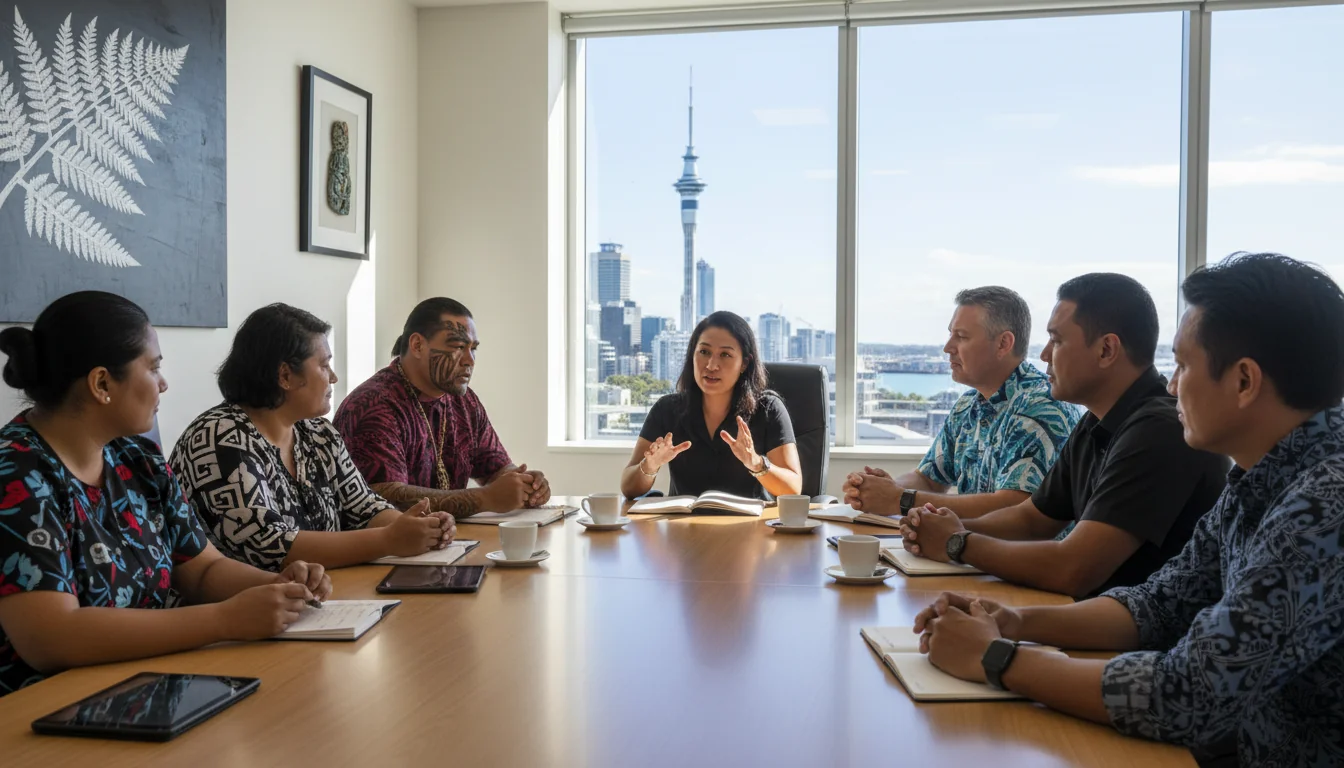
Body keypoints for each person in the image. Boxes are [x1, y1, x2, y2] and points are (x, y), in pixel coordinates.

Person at [911, 253, 1344, 766]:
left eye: (1183, 365)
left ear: (1244, 381)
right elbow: (1158, 605)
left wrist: (995, 657)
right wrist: (1010, 621)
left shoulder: (1325, 503)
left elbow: (1188, 695)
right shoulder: (1257, 480)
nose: (1172, 384)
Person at [0, 292, 332, 697]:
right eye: (153, 367)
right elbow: (51, 638)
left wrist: (278, 588)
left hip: (148, 685)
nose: (164, 383)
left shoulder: (138, 460)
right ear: (102, 383)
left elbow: (203, 569)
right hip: (49, 709)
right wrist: (225, 620)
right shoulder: (16, 474)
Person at [902, 274, 1228, 598]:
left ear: (1106, 350)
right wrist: (941, 526)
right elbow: (1032, 519)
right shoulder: (1095, 422)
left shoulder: (1159, 431)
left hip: (1134, 641)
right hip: (1095, 621)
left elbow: (1073, 570)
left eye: (1056, 341)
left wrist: (957, 542)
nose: (1044, 354)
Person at [171, 304, 455, 572]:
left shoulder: (319, 433)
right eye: (323, 365)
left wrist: (416, 527)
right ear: (285, 376)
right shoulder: (219, 438)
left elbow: (365, 508)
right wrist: (390, 540)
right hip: (236, 610)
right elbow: (269, 546)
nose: (333, 377)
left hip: (320, 598)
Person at [843, 287, 1079, 519]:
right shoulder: (967, 405)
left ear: (1003, 344)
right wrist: (881, 489)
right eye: (950, 334)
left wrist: (899, 498)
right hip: (968, 551)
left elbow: (1014, 507)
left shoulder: (1041, 407)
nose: (948, 348)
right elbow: (928, 480)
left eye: (962, 337)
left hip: (1020, 556)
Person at [333, 298, 549, 518]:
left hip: (445, 542)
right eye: (458, 347)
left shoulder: (463, 401)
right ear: (417, 345)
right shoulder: (374, 404)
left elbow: (496, 470)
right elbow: (383, 497)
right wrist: (485, 498)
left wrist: (526, 484)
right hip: (384, 550)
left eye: (473, 349)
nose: (470, 360)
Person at [620, 311, 803, 500]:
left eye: (725, 354)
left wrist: (756, 463)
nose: (711, 365)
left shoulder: (767, 409)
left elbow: (793, 489)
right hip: (682, 526)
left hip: (749, 526)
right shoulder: (667, 409)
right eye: (704, 352)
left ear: (744, 363)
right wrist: (649, 466)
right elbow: (629, 488)